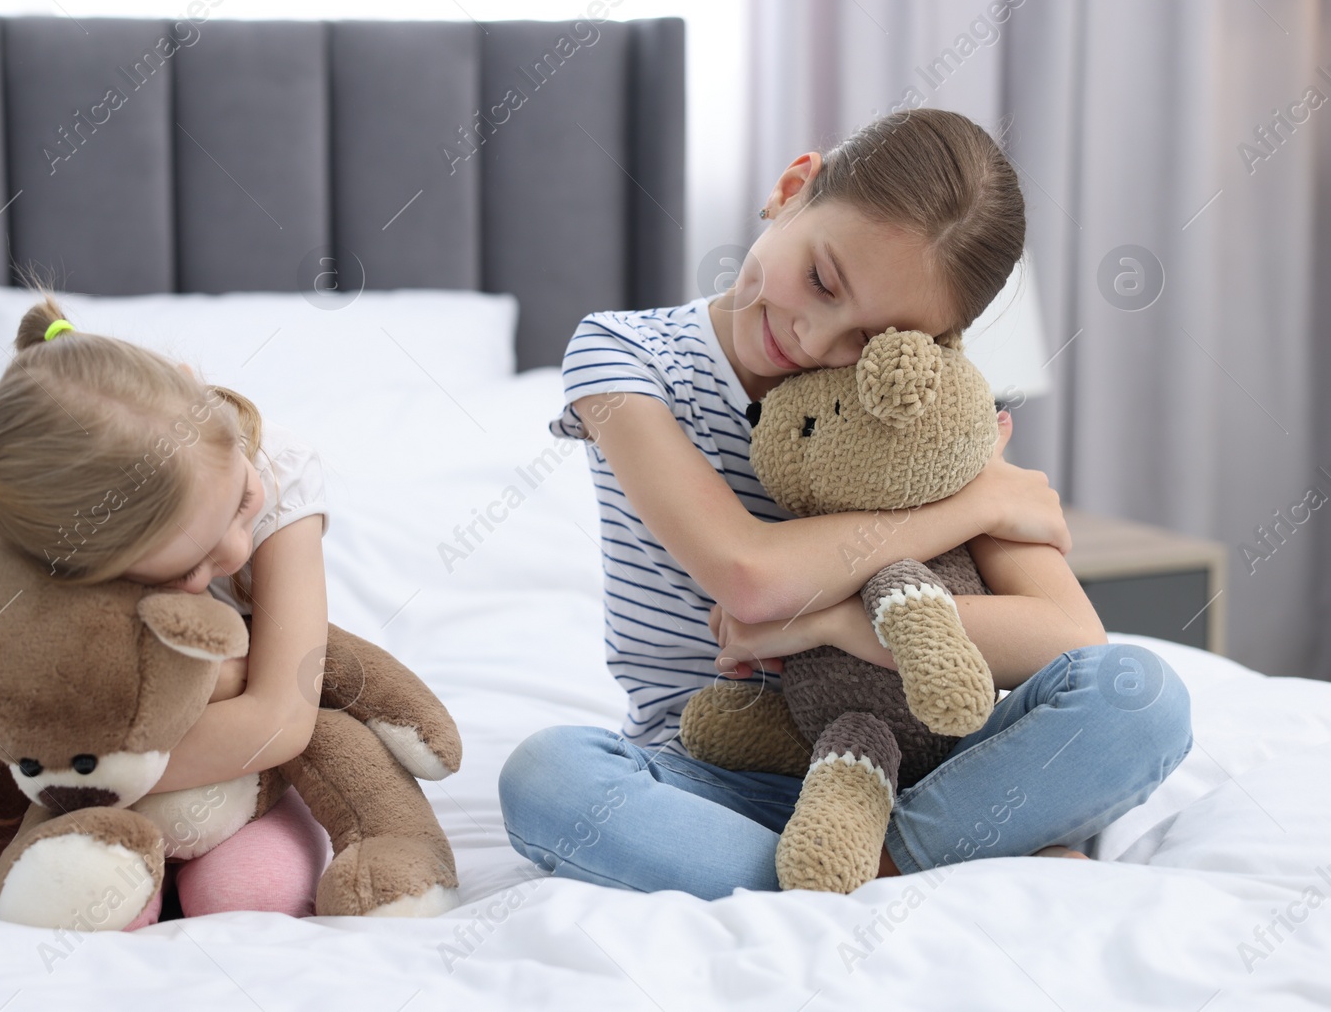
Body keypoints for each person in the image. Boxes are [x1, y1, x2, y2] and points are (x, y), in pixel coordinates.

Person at [497, 108, 1192, 897]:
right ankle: (958, 851)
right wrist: (972, 504)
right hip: (723, 778)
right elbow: (748, 576)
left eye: (872, 338)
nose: (814, 337)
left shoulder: (922, 399)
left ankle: (862, 866)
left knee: (1144, 697)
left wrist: (836, 623)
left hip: (927, 767)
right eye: (823, 278)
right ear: (794, 188)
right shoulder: (623, 356)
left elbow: (1071, 638)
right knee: (547, 776)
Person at [0, 295, 332, 923]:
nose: (235, 551)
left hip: (239, 780)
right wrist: (77, 787)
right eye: (187, 570)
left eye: (239, 503)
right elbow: (21, 702)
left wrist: (92, 769)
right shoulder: (41, 536)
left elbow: (282, 717)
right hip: (88, 798)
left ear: (192, 391)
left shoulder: (279, 468)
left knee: (245, 902)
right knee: (89, 905)